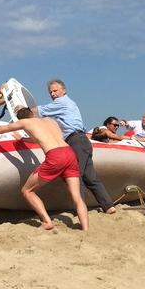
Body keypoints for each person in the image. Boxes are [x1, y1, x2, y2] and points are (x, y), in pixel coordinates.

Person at [0, 107, 89, 230]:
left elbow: (1, 129)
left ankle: (47, 221)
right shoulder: (50, 121)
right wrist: (23, 139)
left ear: (20, 118)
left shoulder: (25, 122)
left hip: (55, 156)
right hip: (69, 153)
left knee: (27, 191)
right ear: (32, 114)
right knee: (76, 196)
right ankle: (85, 229)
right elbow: (38, 138)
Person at [29, 79, 115, 214]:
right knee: (90, 177)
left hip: (75, 140)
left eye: (55, 90)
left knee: (75, 176)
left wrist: (20, 110)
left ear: (64, 91)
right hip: (83, 141)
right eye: (50, 92)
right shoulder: (69, 103)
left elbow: (37, 111)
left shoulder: (61, 102)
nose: (53, 94)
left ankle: (81, 210)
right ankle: (109, 206)